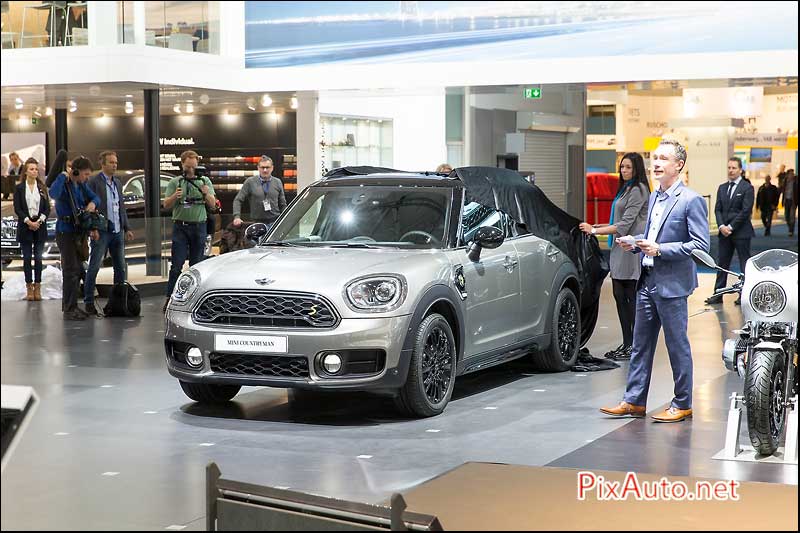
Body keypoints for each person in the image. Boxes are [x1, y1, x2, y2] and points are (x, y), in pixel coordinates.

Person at [600, 139, 710, 423]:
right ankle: (634, 401)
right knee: (640, 345)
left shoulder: (690, 200)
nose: (656, 164)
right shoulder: (654, 198)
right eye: (654, 158)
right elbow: (652, 236)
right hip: (647, 280)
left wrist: (661, 250)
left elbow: (699, 245)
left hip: (672, 285)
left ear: (679, 165)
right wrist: (635, 242)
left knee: (677, 346)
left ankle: (683, 402)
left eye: (663, 159)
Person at [579, 153, 650, 360]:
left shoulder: (638, 190)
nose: (624, 171)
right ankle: (628, 343)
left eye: (628, 167)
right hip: (620, 248)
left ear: (637, 168)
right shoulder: (626, 188)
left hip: (630, 248)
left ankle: (636, 346)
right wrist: (595, 227)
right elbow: (618, 220)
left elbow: (624, 225)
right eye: (622, 167)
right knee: (620, 296)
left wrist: (594, 231)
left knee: (630, 297)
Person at [49, 156, 101, 321]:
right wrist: (63, 176)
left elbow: (95, 197)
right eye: (85, 174)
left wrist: (92, 204)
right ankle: (69, 308)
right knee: (71, 270)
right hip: (65, 232)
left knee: (78, 270)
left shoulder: (81, 185)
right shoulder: (64, 184)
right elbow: (53, 193)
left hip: (78, 232)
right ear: (76, 172)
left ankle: (72, 305)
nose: (87, 177)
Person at [163, 150, 216, 311]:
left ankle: (196, 300)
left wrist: (206, 193)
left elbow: (213, 204)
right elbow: (166, 204)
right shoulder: (175, 182)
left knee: (197, 265)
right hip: (181, 226)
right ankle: (169, 298)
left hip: (199, 226)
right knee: (176, 265)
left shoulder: (204, 181)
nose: (191, 170)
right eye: (188, 167)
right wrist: (174, 197)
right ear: (182, 165)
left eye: (194, 167)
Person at [83, 151, 133, 317]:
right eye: (111, 162)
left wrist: (127, 228)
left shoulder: (117, 183)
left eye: (116, 162)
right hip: (102, 230)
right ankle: (89, 301)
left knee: (120, 268)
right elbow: (88, 206)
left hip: (117, 230)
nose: (114, 165)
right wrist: (92, 228)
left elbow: (121, 207)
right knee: (94, 266)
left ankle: (119, 301)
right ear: (102, 164)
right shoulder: (94, 182)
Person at [706, 157, 754, 305]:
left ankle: (744, 295)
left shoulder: (747, 188)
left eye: (733, 168)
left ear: (740, 170)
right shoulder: (722, 188)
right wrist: (721, 226)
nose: (731, 170)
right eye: (729, 168)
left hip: (741, 232)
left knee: (743, 264)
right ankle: (718, 294)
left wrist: (731, 227)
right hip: (724, 233)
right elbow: (717, 209)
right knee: (722, 263)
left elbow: (746, 211)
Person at [13, 158, 50, 301]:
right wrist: (28, 221)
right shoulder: (19, 188)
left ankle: (38, 286)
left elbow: (47, 208)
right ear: (26, 171)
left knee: (39, 258)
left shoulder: (42, 187)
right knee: (27, 258)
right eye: (32, 169)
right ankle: (29, 287)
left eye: (36, 169)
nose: (35, 171)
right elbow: (18, 208)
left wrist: (39, 220)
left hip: (39, 225)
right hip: (25, 225)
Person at [232, 156, 286, 230]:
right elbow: (238, 200)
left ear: (272, 168)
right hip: (256, 223)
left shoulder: (277, 182)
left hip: (274, 222)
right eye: (262, 167)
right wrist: (236, 217)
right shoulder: (250, 182)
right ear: (258, 168)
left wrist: (286, 219)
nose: (265, 170)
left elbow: (283, 204)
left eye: (267, 167)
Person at [780, 169, 797, 237]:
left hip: (793, 201)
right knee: (786, 216)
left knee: (792, 216)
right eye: (790, 174)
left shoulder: (796, 182)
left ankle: (791, 230)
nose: (792, 175)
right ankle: (790, 227)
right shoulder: (785, 182)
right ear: (787, 175)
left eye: (793, 174)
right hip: (786, 201)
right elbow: (781, 190)